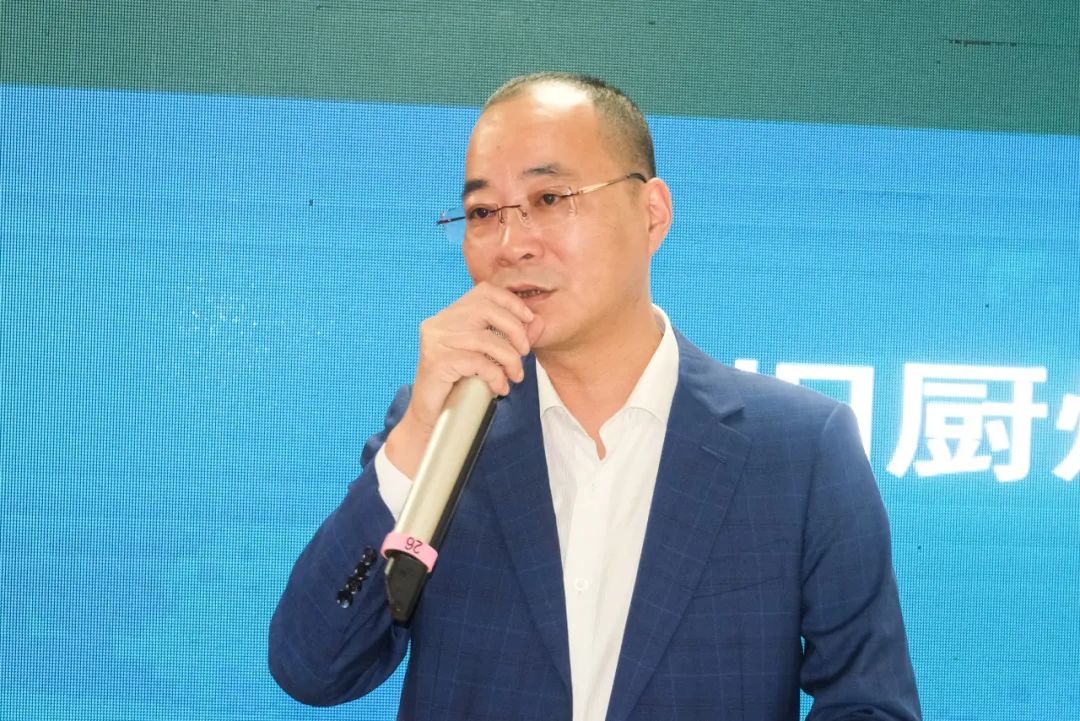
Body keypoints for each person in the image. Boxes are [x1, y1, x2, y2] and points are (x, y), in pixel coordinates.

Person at [268, 72, 921, 721]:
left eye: (550, 198)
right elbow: (313, 669)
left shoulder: (801, 448)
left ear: (651, 213)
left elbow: (870, 705)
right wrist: (416, 437)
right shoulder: (443, 433)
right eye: (483, 213)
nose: (512, 244)